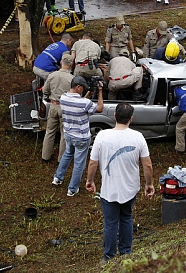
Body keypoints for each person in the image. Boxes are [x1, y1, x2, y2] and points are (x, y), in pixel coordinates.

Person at [86, 103, 154, 264]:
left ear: (115, 116)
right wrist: (148, 184)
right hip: (130, 189)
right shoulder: (138, 137)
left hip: (109, 190)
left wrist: (90, 180)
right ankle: (126, 253)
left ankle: (108, 257)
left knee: (110, 223)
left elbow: (93, 163)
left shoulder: (102, 136)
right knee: (126, 218)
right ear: (131, 118)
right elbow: (147, 164)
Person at [52, 76, 104, 197]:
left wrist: (89, 93)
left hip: (69, 134)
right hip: (81, 137)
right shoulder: (84, 103)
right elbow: (100, 108)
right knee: (79, 163)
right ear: (78, 87)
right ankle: (72, 189)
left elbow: (80, 103)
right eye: (82, 89)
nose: (83, 91)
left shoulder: (63, 97)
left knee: (67, 155)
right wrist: (100, 92)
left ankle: (57, 178)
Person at [41, 53, 74, 162]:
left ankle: (45, 156)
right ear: (71, 64)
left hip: (54, 106)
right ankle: (61, 159)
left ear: (61, 62)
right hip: (65, 108)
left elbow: (45, 91)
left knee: (50, 132)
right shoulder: (72, 79)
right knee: (64, 134)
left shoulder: (52, 75)